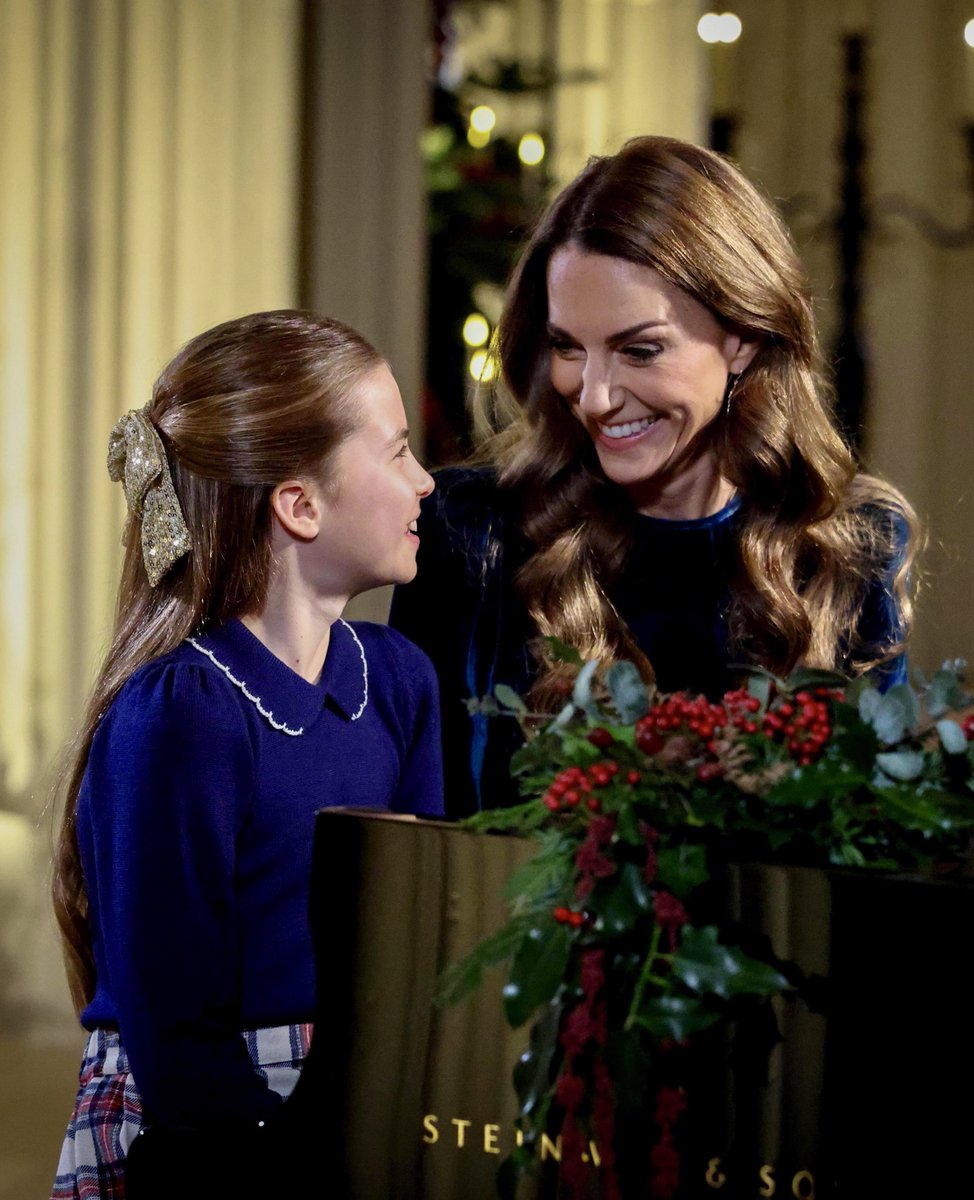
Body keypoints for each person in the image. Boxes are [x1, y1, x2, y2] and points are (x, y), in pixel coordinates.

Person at [390, 135, 917, 818]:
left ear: (743, 337)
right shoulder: (472, 533)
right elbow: (418, 830)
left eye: (639, 350)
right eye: (567, 346)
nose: (594, 396)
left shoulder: (849, 549)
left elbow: (873, 841)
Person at [50, 310, 443, 1199]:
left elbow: (419, 947)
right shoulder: (183, 714)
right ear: (300, 505)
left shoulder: (400, 680)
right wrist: (284, 1155)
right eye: (397, 452)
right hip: (211, 1135)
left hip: (358, 1108)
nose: (425, 481)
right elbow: (177, 1028)